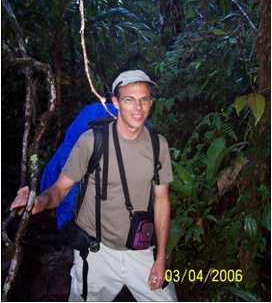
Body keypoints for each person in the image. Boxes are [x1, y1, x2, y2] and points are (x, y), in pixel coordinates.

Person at [11, 69, 177, 302]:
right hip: (95, 254)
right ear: (116, 102)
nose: (138, 108)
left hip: (140, 251)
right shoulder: (90, 140)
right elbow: (60, 189)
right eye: (129, 99)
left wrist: (160, 258)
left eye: (144, 99)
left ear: (151, 102)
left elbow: (161, 200)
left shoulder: (158, 145)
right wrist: (36, 202)